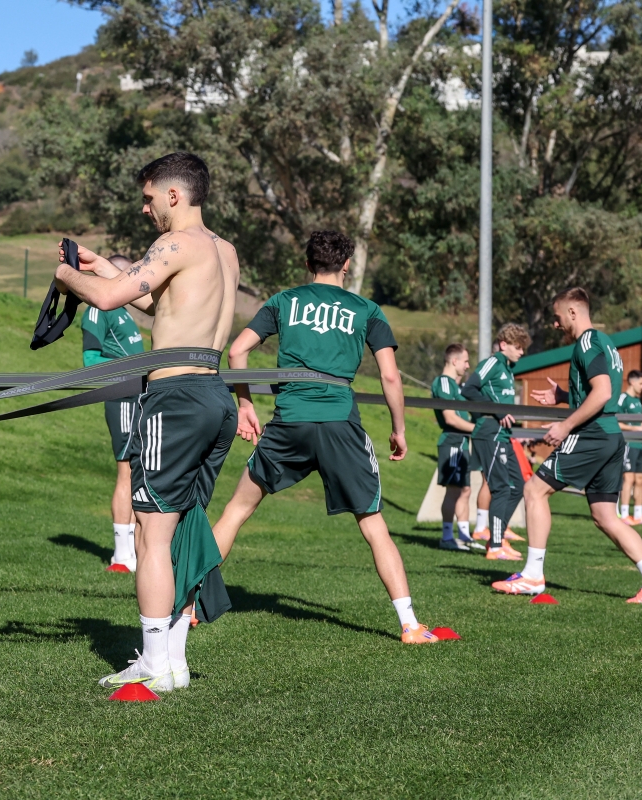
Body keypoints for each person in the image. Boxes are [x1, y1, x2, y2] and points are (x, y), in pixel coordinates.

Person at [53, 152, 239, 693]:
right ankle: (174, 661)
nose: (145, 209)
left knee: (150, 531)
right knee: (183, 528)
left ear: (174, 196)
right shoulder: (222, 250)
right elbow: (169, 307)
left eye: (149, 197)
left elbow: (111, 301)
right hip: (213, 394)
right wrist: (102, 267)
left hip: (175, 397)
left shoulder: (174, 242)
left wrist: (66, 276)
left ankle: (154, 662)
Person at [210, 230, 442, 645]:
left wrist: (245, 405)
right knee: (373, 523)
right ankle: (410, 625)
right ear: (347, 264)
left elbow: (236, 352)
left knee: (235, 511)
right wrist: (399, 429)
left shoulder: (282, 302)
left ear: (308, 263)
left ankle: (188, 605)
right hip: (340, 425)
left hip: (289, 423)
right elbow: (390, 375)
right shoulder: (367, 309)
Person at [492, 287, 642, 603]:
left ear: (573, 312)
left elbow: (601, 393)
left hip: (592, 434)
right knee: (605, 516)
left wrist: (565, 424)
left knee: (534, 490)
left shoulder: (586, 343)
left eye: (557, 317)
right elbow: (602, 390)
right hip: (611, 435)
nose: (556, 325)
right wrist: (563, 397)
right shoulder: (606, 343)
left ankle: (532, 575)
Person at [80, 254, 146, 572]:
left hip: (141, 397)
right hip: (121, 399)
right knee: (127, 472)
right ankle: (121, 557)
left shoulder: (124, 312)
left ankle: (134, 550)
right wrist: (124, 379)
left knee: (139, 471)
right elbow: (91, 360)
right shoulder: (98, 310)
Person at [462, 323, 531, 560]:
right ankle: (495, 547)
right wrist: (497, 412)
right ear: (504, 345)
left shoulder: (508, 369)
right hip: (488, 432)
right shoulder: (493, 362)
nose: (522, 352)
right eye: (518, 347)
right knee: (501, 487)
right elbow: (469, 388)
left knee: (519, 486)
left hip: (504, 435)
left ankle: (497, 538)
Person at [433, 344, 482, 551]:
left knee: (465, 490)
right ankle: (446, 537)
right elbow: (450, 418)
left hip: (461, 442)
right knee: (454, 491)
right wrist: (479, 430)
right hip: (452, 441)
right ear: (454, 361)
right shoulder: (443, 382)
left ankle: (463, 536)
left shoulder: (454, 385)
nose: (468, 365)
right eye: (465, 361)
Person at [616, 369, 642, 526]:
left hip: (639, 444)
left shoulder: (638, 401)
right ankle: (624, 514)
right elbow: (616, 421)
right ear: (632, 381)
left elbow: (640, 424)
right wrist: (634, 429)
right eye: (641, 383)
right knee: (629, 478)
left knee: (640, 479)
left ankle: (638, 514)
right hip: (628, 443)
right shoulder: (623, 398)